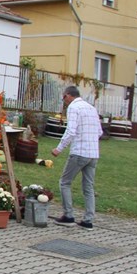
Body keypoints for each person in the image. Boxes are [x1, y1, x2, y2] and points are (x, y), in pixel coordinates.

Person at [51, 85, 103, 229]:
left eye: (64, 97)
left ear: (68, 95)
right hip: (93, 154)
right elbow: (99, 132)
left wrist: (59, 149)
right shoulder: (91, 108)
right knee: (88, 187)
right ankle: (88, 220)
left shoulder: (73, 108)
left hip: (79, 152)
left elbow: (71, 131)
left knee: (65, 182)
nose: (64, 100)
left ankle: (68, 216)